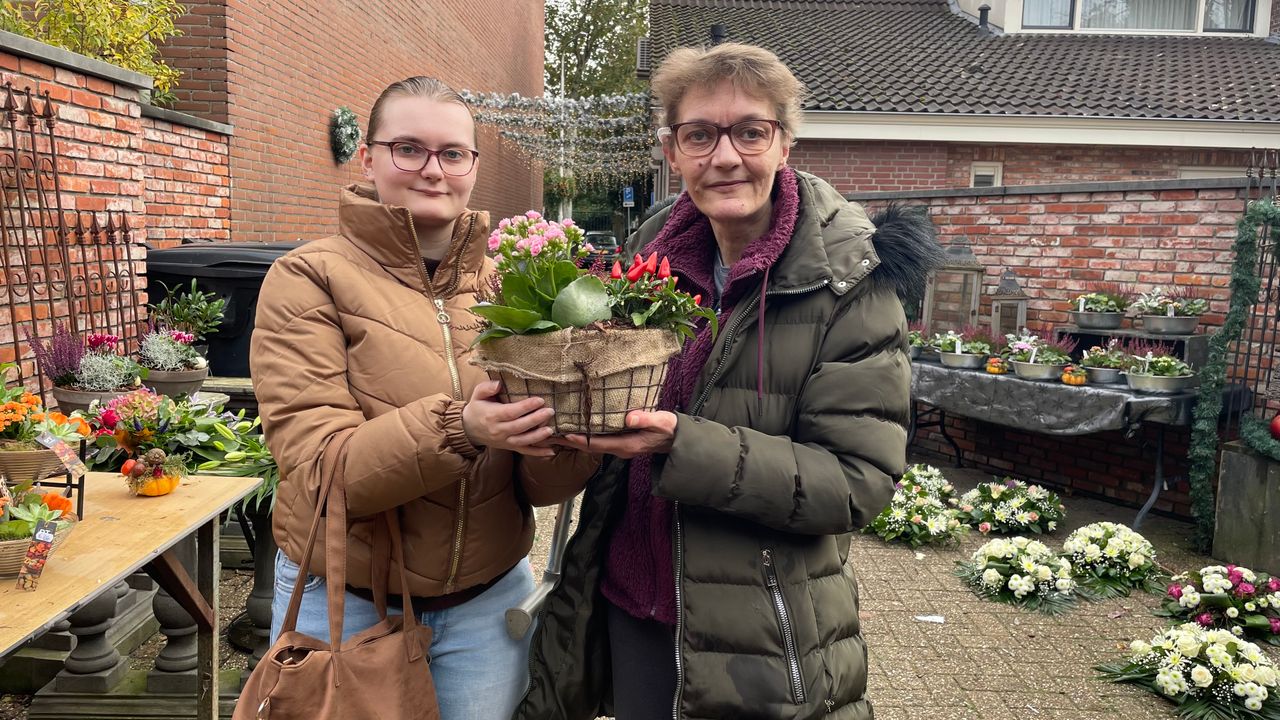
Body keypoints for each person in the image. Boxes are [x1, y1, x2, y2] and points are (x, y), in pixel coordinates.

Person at [515, 43, 942, 720]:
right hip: (634, 604)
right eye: (699, 135)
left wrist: (681, 446)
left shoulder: (849, 281)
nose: (724, 157)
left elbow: (857, 482)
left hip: (763, 635)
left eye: (750, 132)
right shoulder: (649, 255)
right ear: (672, 151)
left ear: (785, 143)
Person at [250, 76, 599, 720]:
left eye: (452, 153)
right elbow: (323, 473)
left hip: (487, 606)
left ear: (473, 165)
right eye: (408, 148)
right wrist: (464, 428)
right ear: (368, 158)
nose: (433, 170)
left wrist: (570, 433)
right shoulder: (309, 278)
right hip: (352, 603)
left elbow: (538, 490)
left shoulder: (509, 288)